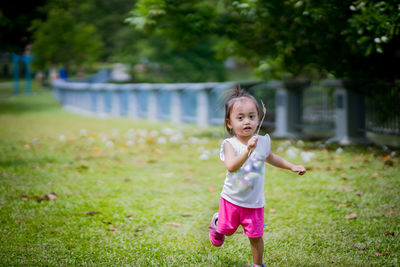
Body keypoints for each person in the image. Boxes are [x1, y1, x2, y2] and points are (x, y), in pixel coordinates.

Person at [209, 87, 306, 267]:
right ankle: (217, 222)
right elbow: (231, 166)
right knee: (227, 231)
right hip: (232, 198)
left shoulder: (262, 142)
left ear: (258, 119)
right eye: (240, 117)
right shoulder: (230, 144)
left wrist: (292, 166)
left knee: (255, 236)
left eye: (252, 116)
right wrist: (248, 151)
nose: (247, 121)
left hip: (254, 202)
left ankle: (258, 264)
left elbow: (271, 158)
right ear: (229, 123)